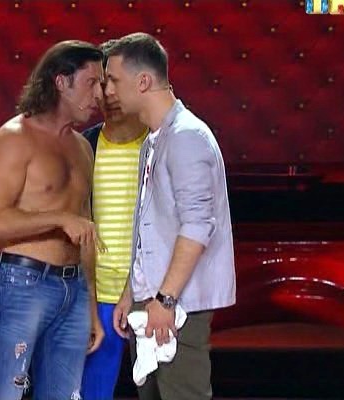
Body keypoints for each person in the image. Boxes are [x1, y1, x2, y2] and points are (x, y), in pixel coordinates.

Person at [105, 32, 237, 400]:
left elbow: (198, 225)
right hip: (153, 301)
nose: (108, 91)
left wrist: (165, 300)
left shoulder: (187, 136)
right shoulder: (154, 139)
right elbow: (148, 227)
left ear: (143, 81)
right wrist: (131, 293)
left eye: (114, 80)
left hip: (177, 306)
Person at [0, 40, 106, 400]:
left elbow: (85, 229)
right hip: (23, 283)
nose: (99, 95)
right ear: (61, 82)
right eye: (91, 83)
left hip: (75, 289)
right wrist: (59, 218)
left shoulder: (82, 147)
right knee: (5, 394)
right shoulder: (13, 139)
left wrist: (91, 305)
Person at [81, 40, 149, 400]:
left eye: (115, 83)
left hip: (150, 296)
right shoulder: (83, 147)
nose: (108, 93)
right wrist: (88, 303)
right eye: (101, 83)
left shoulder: (159, 145)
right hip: (98, 300)